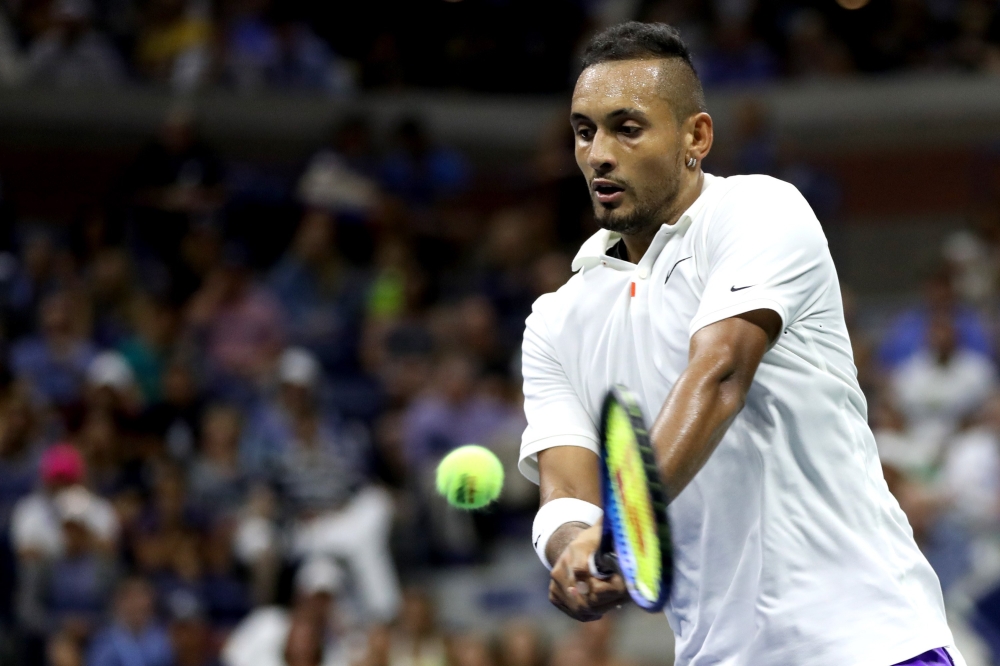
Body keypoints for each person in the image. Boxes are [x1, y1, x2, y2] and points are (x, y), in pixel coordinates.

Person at [520, 22, 963, 666]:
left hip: (870, 643)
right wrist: (572, 552)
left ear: (696, 136)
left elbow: (721, 375)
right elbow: (565, 490)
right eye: (585, 131)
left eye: (628, 127)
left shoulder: (759, 211)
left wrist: (616, 531)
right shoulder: (556, 320)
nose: (598, 154)